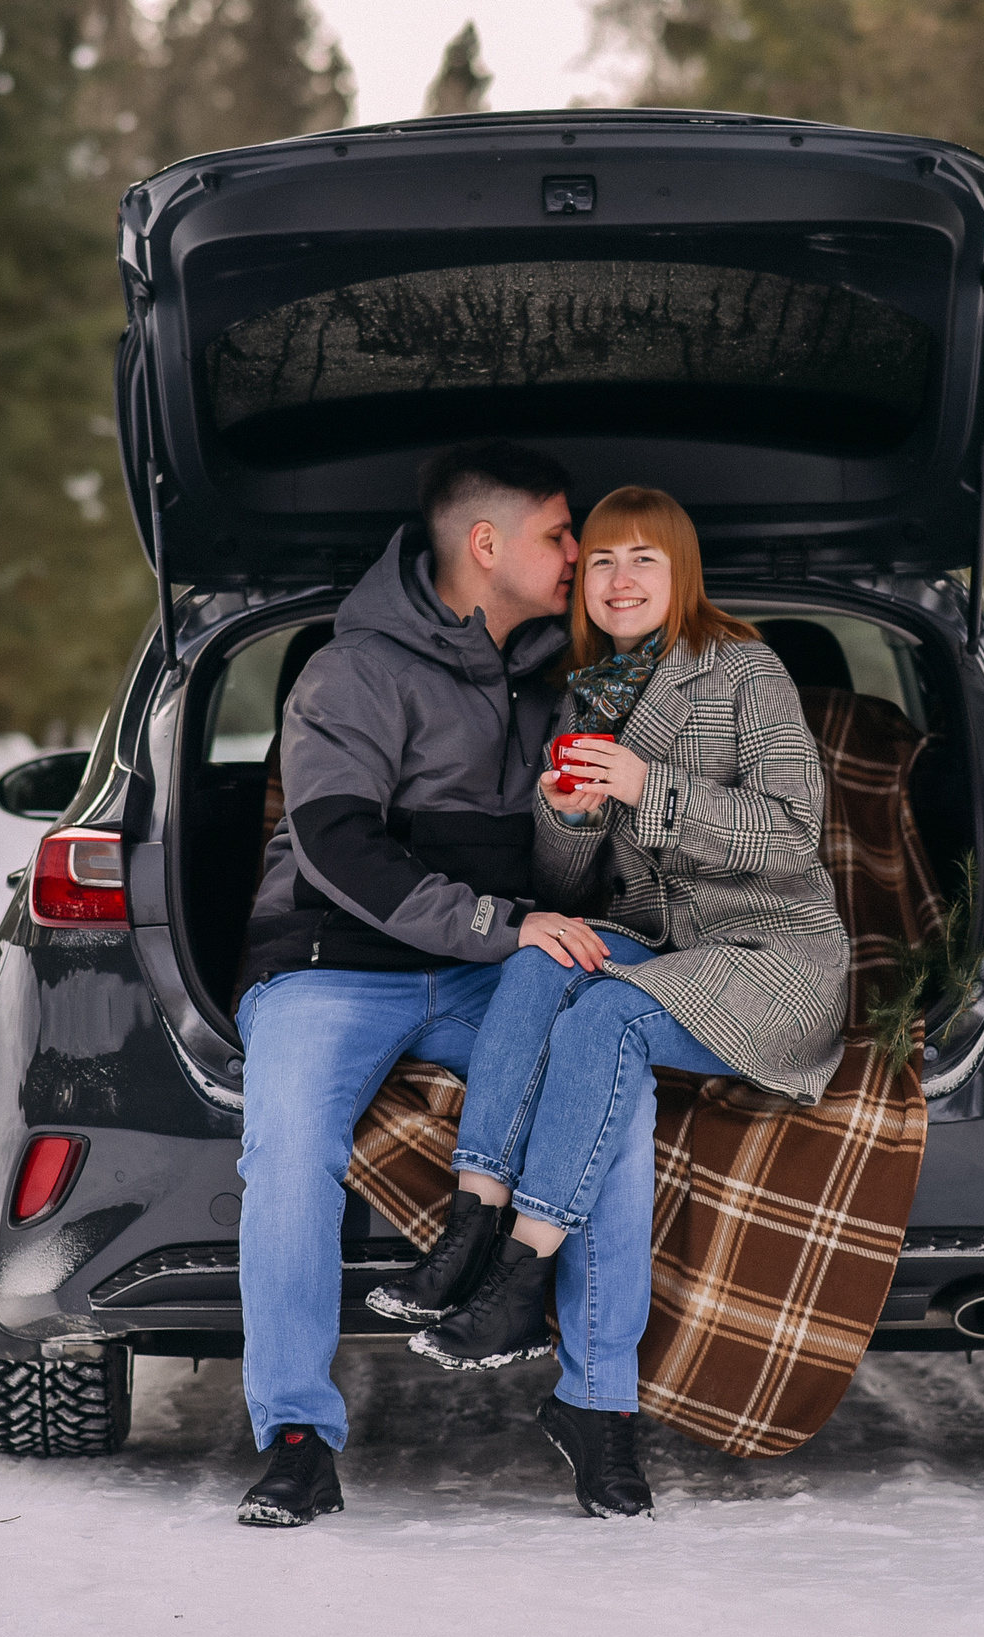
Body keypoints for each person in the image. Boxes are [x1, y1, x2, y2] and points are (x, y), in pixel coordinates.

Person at [369, 485, 849, 1519]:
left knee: (606, 1015)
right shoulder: (584, 690)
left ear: (682, 579)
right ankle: (469, 1226)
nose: (622, 581)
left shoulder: (744, 671)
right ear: (580, 582)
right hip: (661, 943)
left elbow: (791, 836)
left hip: (768, 953)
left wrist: (648, 785)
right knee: (542, 962)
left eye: (646, 561)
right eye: (602, 563)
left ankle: (517, 1279)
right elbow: (576, 895)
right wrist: (567, 815)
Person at [230, 440, 611, 1529]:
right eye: (558, 533)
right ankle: (297, 1438)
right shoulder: (351, 674)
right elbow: (339, 848)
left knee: (604, 1070)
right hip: (330, 967)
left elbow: (563, 866)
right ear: (485, 546)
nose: (579, 554)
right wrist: (502, 924)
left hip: (482, 969)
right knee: (291, 1153)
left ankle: (594, 1401)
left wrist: (576, 834)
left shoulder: (558, 678)